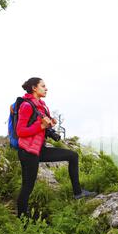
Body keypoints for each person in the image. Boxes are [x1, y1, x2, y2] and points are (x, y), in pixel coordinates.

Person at [16, 77, 96, 218]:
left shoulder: (42, 106)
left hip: (40, 149)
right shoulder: (26, 106)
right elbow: (20, 131)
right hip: (27, 152)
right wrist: (40, 126)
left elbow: (43, 127)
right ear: (34, 88)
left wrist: (50, 125)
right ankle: (22, 218)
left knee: (73, 155)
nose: (46, 88)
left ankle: (78, 193)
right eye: (43, 86)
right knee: (27, 187)